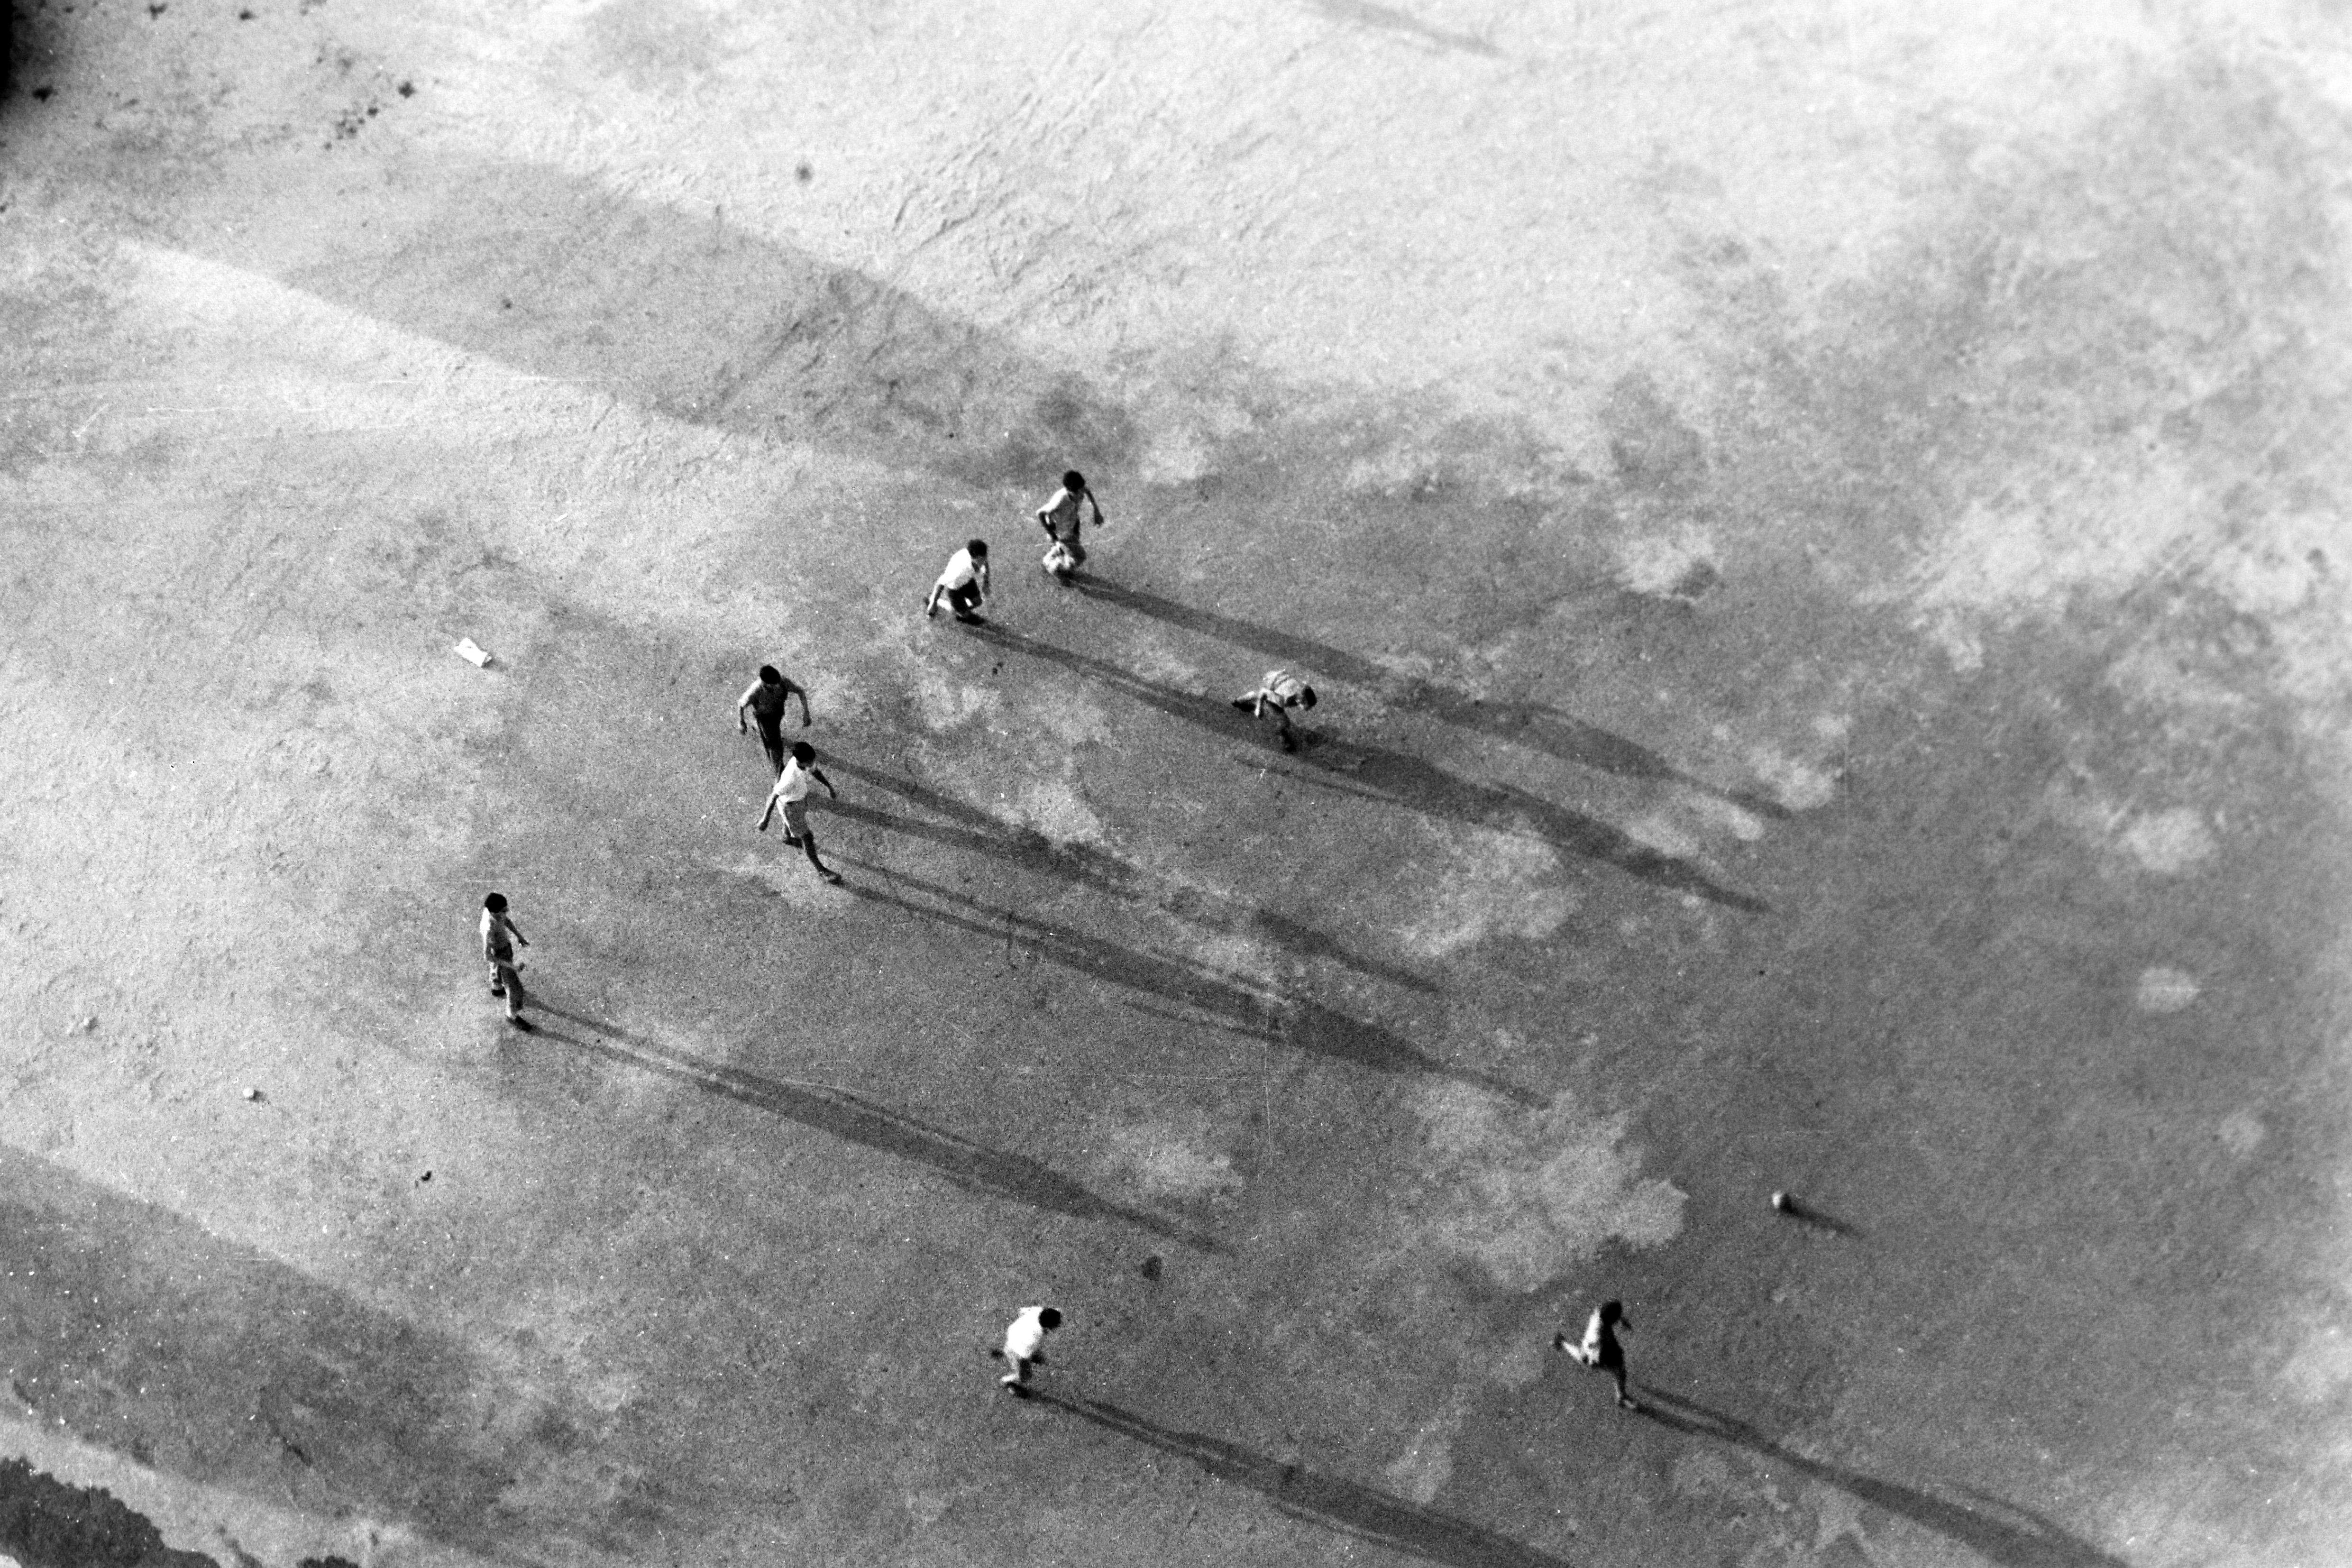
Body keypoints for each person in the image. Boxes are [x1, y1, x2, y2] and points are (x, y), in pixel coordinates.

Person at [755, 741, 843, 884]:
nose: (813, 763)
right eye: (810, 761)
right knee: (807, 837)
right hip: (790, 807)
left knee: (792, 823)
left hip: (798, 800)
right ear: (800, 760)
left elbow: (815, 771)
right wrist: (765, 819)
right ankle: (822, 871)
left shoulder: (803, 762)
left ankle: (787, 837)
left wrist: (829, 787)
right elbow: (774, 796)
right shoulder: (790, 778)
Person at [1554, 1300, 1636, 1411]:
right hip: (1594, 1350)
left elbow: (1610, 1314)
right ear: (1611, 1319)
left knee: (1619, 1369)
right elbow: (1591, 1355)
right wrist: (1599, 1362)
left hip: (1602, 1342)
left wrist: (1621, 1320)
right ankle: (1621, 1398)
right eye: (1617, 1318)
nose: (1619, 1319)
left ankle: (1561, 1341)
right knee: (1618, 1371)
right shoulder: (1597, 1336)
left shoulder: (1601, 1312)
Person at [736, 665, 812, 775]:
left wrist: (806, 713)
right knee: (775, 747)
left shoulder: (783, 682)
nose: (778, 687)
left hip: (778, 713)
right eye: (773, 685)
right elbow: (741, 704)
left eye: (778, 683)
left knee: (773, 734)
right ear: (764, 683)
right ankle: (779, 772)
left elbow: (800, 691)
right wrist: (741, 722)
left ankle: (757, 727)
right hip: (765, 719)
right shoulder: (755, 691)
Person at [1035, 469, 1105, 582]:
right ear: (1069, 490)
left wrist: (1096, 511)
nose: (1080, 494)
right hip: (1063, 532)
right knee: (1080, 557)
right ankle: (1056, 569)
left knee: (1068, 548)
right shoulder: (1060, 500)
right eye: (1077, 492)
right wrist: (1051, 533)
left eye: (1081, 489)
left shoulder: (1080, 488)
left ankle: (1048, 560)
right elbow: (1040, 513)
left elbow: (1087, 491)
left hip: (1074, 524)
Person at [479, 893, 534, 1031]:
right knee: (515, 989)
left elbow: (506, 921)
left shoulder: (494, 913)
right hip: (500, 954)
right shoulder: (489, 929)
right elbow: (488, 956)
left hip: (503, 948)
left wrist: (518, 936)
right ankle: (512, 1015)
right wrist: (512, 966)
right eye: (504, 911)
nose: (507, 912)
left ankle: (497, 988)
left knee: (496, 969)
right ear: (494, 912)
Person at [1231, 669, 1318, 751]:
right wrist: (1259, 708)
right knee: (1284, 721)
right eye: (1308, 706)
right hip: (1271, 686)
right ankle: (1282, 735)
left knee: (1258, 695)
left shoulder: (1299, 690)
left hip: (1275, 680)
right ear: (1302, 700)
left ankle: (1239, 701)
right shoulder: (1284, 698)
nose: (1309, 709)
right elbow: (1264, 692)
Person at [989, 1305, 1062, 1396]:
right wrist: (1038, 1359)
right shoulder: (1033, 1339)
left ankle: (1004, 1352)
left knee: (1012, 1351)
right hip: (1016, 1349)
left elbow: (1022, 1311)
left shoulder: (1038, 1311)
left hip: (1014, 1333)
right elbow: (1024, 1356)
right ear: (1048, 1327)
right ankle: (1007, 1382)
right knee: (1025, 1376)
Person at [924, 540, 990, 623]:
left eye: (985, 557)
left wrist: (986, 583)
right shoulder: (959, 570)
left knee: (978, 602)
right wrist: (933, 603)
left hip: (968, 581)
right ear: (974, 558)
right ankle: (935, 601)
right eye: (982, 559)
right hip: (955, 589)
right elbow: (941, 582)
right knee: (959, 612)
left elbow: (986, 563)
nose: (985, 560)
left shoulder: (978, 556)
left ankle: (962, 610)